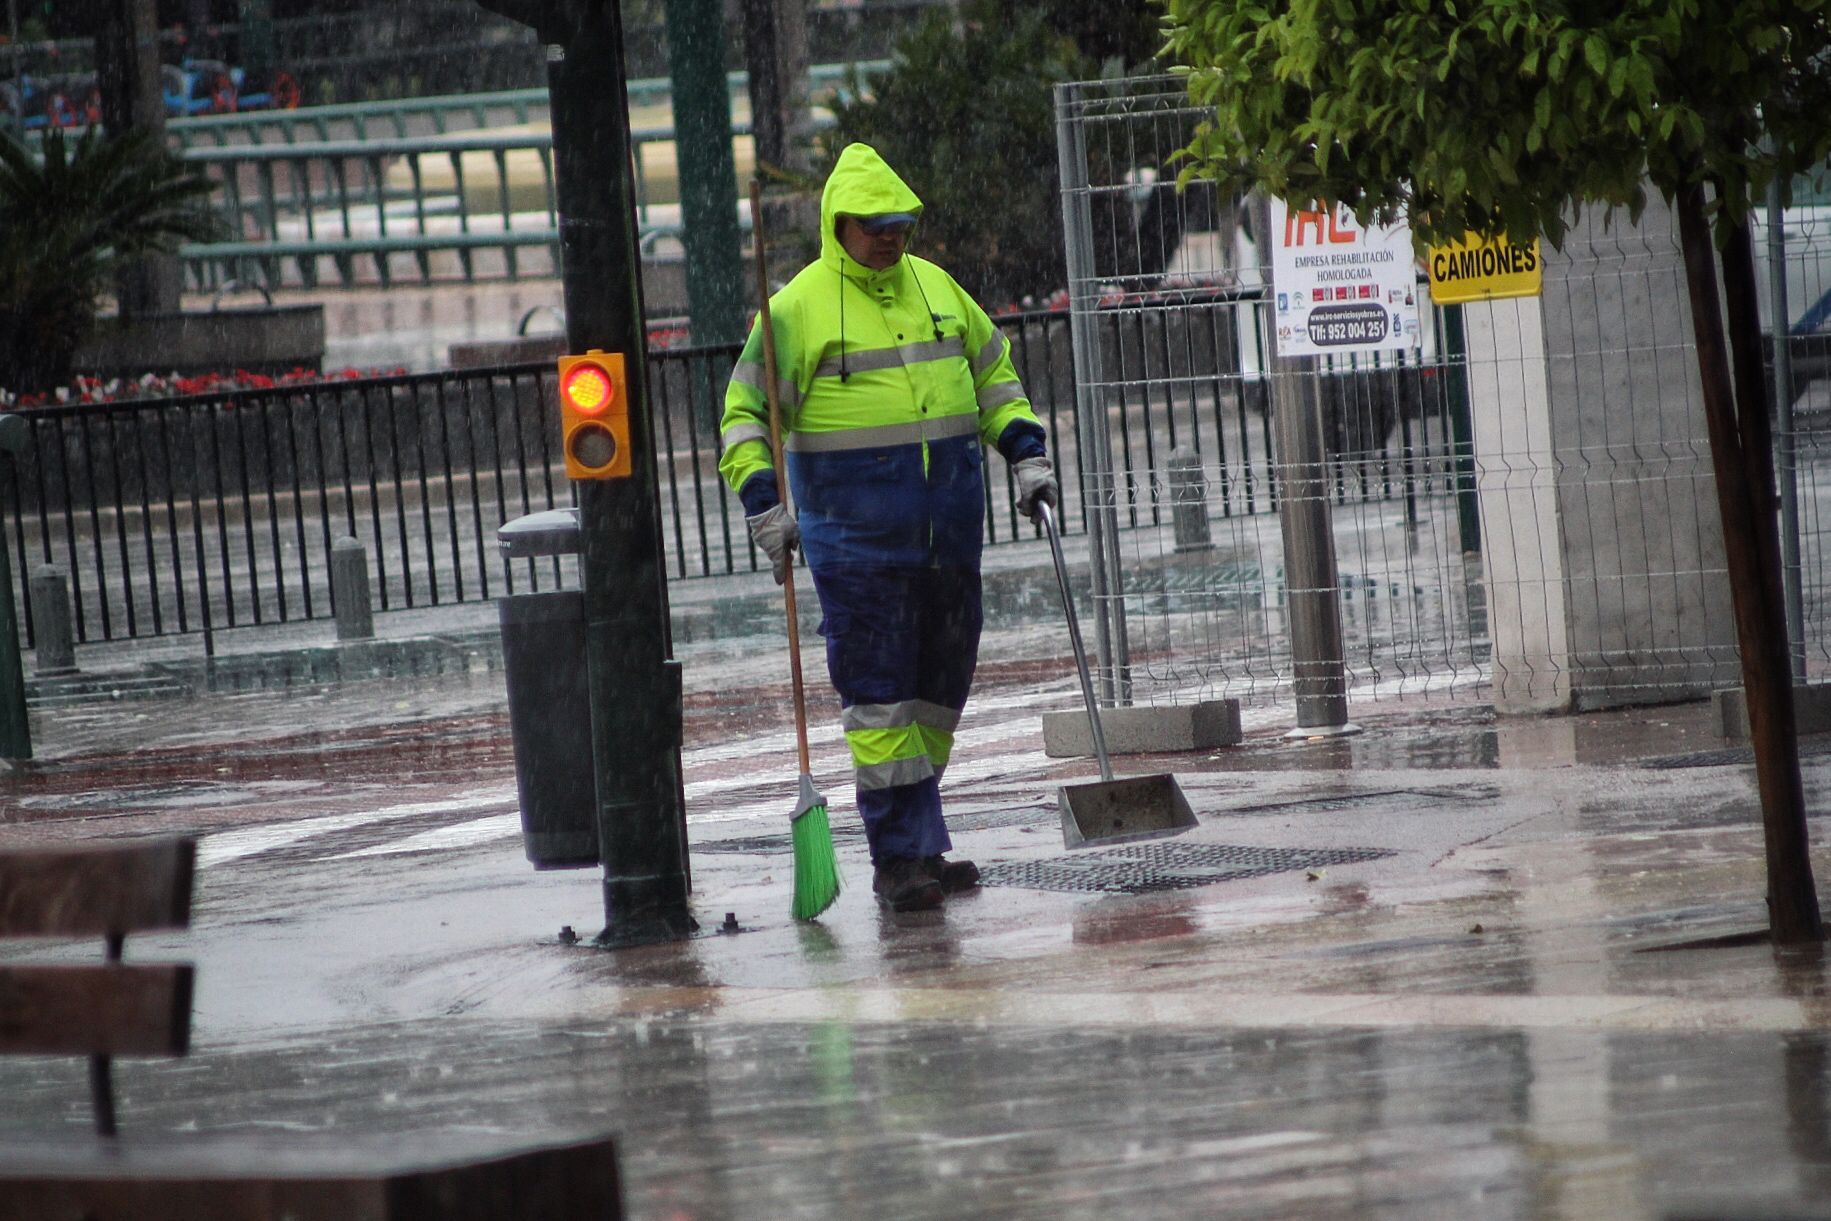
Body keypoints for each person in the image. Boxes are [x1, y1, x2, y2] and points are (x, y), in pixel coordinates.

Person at [719, 142, 1059, 912]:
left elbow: (993, 376)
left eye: (899, 223)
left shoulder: (938, 289)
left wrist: (1024, 448)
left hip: (947, 537)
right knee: (879, 702)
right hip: (856, 547)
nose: (889, 236)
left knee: (938, 692)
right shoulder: (794, 312)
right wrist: (762, 503)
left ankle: (918, 832)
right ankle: (899, 855)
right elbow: (743, 418)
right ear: (839, 224)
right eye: (874, 225)